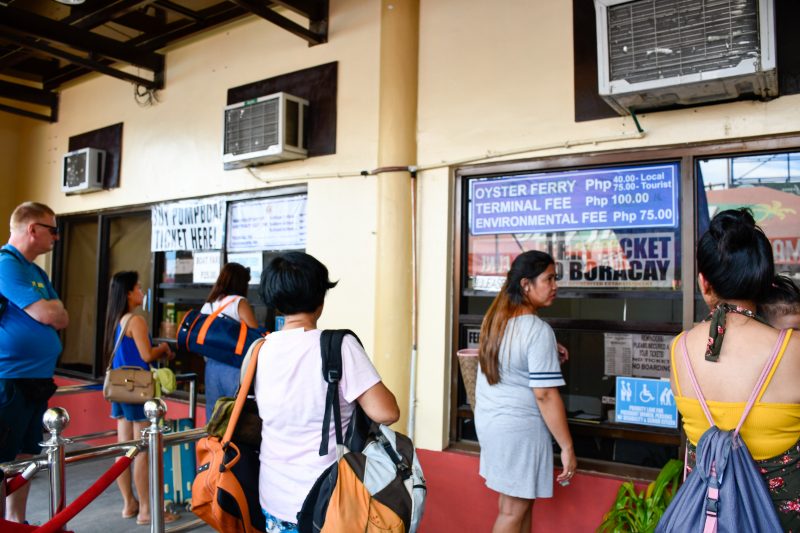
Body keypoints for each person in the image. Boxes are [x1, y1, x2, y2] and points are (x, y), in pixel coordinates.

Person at [670, 209, 800, 531]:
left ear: (704, 282)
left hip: (708, 519)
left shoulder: (680, 350)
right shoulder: (793, 349)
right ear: (763, 277)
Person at [255, 252, 400, 532]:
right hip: (327, 500)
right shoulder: (338, 346)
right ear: (320, 300)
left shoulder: (259, 350)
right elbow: (387, 412)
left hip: (273, 496)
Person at [474, 250, 577, 533]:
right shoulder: (536, 329)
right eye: (549, 279)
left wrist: (548, 356)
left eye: (556, 278)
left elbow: (513, 364)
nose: (555, 285)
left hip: (493, 424)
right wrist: (567, 447)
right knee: (512, 511)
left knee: (518, 506)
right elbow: (545, 395)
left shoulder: (497, 321)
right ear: (526, 285)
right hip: (517, 430)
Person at [0, 201, 69, 524]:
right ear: (32, 229)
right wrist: (45, 311)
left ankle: (17, 522)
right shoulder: (6, 264)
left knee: (27, 457)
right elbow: (47, 313)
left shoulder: (37, 271)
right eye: (52, 230)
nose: (56, 237)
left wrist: (48, 311)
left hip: (37, 381)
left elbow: (62, 316)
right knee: (2, 462)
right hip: (9, 380)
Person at [103, 271, 179, 525]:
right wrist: (164, 349)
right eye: (138, 288)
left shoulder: (115, 319)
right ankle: (148, 510)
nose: (142, 292)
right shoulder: (136, 321)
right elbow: (147, 355)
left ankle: (129, 504)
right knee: (144, 451)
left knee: (124, 449)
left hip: (120, 389)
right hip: (139, 391)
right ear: (128, 293)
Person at [201, 262, 259, 419]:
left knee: (215, 416)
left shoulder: (209, 305)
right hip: (233, 366)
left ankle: (213, 444)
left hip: (211, 367)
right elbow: (255, 336)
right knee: (236, 416)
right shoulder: (239, 302)